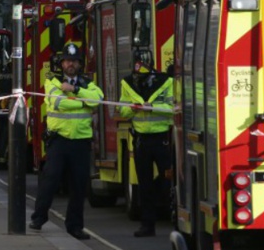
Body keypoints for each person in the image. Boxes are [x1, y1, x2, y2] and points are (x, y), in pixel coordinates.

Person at [29, 43, 103, 241]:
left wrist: (74, 90)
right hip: (59, 140)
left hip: (80, 142)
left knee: (79, 186)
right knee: (50, 180)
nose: (71, 64)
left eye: (75, 61)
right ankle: (39, 218)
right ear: (62, 63)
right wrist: (82, 101)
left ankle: (75, 227)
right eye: (68, 61)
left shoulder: (87, 83)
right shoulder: (52, 82)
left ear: (79, 64)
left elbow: (97, 100)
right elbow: (58, 103)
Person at [116, 48, 173, 238]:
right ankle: (147, 226)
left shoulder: (166, 82)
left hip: (163, 140)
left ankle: (175, 221)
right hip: (141, 141)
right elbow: (122, 110)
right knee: (144, 185)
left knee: (168, 182)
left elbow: (174, 108)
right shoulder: (128, 83)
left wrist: (152, 107)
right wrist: (132, 109)